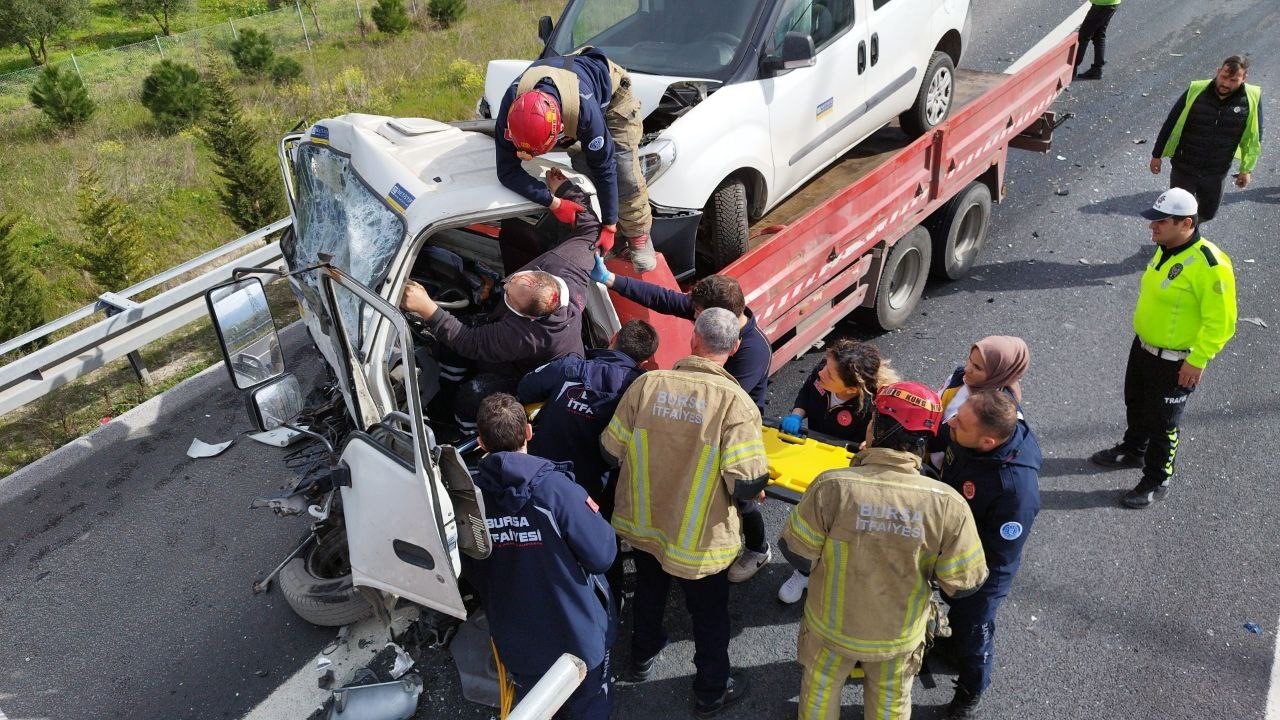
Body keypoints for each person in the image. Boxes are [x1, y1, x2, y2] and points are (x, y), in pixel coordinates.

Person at [778, 381, 988, 720]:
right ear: (923, 442)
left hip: (831, 628)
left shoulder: (832, 486)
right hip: (896, 637)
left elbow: (797, 552)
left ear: (875, 427)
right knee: (890, 702)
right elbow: (963, 583)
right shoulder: (949, 505)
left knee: (820, 689)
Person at [601, 308, 770, 718]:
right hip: (698, 541)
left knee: (649, 591)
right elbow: (747, 484)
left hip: (643, 526)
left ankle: (641, 657)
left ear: (693, 340)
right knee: (709, 617)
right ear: (732, 349)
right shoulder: (736, 404)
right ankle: (711, 691)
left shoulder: (647, 385)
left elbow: (609, 450)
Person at [592, 260, 775, 583]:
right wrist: (611, 279)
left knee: (737, 499)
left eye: (698, 311)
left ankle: (758, 548)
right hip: (699, 417)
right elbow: (663, 299)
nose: (692, 316)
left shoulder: (754, 351)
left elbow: (727, 406)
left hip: (730, 429)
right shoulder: (717, 321)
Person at [461, 393, 618, 720]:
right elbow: (602, 555)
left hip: (518, 643)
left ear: (480, 442)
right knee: (590, 707)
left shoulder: (467, 500)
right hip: (577, 635)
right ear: (529, 432)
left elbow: (470, 568)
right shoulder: (557, 491)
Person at [401, 176, 600, 430]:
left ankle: (454, 429)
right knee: (451, 344)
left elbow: (469, 342)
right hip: (535, 352)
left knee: (473, 395)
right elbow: (591, 226)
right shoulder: (569, 265)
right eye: (514, 280)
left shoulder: (525, 335)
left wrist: (427, 308)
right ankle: (448, 384)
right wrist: (563, 190)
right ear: (542, 275)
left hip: (528, 377)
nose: (505, 286)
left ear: (529, 317)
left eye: (509, 296)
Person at [1090, 188, 1236, 508]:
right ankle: (1133, 450)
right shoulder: (1166, 247)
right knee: (1136, 402)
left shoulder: (1210, 264)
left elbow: (1223, 322)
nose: (1152, 227)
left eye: (1160, 221)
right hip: (1143, 348)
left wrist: (1198, 361)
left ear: (1186, 224)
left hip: (1176, 362)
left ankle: (1158, 477)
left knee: (1164, 423)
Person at [495, 48, 656, 272]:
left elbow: (605, 167)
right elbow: (506, 172)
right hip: (564, 80)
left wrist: (609, 225)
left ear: (560, 130)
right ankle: (603, 230)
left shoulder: (585, 112)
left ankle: (638, 233)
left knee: (623, 170)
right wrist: (554, 202)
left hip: (611, 91)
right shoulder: (512, 106)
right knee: (583, 168)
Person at [936, 390, 1041, 719]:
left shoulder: (1014, 490)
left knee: (975, 627)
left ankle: (970, 690)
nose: (950, 422)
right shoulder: (972, 431)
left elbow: (998, 551)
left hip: (984, 567)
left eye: (961, 423)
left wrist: (947, 552)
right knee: (954, 611)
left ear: (987, 442)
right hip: (954, 544)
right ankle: (951, 646)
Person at [775, 338, 900, 604]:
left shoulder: (877, 403)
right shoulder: (824, 369)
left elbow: (886, 439)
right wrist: (797, 413)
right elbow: (806, 393)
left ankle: (837, 574)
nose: (821, 372)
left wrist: (873, 443)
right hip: (812, 459)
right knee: (810, 521)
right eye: (824, 367)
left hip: (846, 470)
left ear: (853, 389)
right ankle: (804, 572)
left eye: (830, 374)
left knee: (840, 525)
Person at [1150, 55, 1264, 223]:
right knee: (1177, 213)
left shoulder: (1252, 97)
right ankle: (1176, 243)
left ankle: (1189, 232)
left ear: (1244, 78)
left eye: (1233, 80)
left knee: (1208, 213)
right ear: (1218, 71)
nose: (1226, 84)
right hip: (1184, 167)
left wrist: (1246, 169)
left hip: (1216, 172)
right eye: (1224, 77)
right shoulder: (1196, 90)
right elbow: (1170, 123)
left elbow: (1254, 136)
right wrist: (1156, 155)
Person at [930, 335, 1030, 468]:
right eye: (970, 360)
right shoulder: (962, 377)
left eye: (977, 367)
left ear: (999, 373)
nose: (967, 369)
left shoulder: (997, 413)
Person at [1074, 0, 1121, 80]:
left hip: (1102, 4)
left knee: (1084, 36)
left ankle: (1073, 68)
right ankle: (1097, 69)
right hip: (1112, 3)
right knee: (1099, 35)